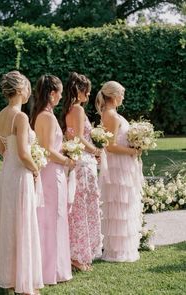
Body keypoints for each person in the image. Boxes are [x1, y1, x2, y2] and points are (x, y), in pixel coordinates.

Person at [0, 70, 43, 295]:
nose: (30, 91)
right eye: (28, 88)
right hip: (19, 175)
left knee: (9, 224)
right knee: (22, 223)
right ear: (20, 91)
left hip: (7, 174)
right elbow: (23, 152)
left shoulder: (1, 115)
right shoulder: (20, 117)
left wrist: (17, 161)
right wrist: (36, 168)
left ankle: (9, 282)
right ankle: (21, 281)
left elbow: (3, 149)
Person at [31, 74, 74, 285]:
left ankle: (50, 268)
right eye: (60, 93)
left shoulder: (42, 115)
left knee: (49, 220)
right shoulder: (46, 117)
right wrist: (67, 161)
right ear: (51, 93)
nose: (61, 97)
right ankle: (52, 271)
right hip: (51, 174)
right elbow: (48, 150)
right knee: (52, 220)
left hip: (51, 173)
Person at [95, 80, 143, 262]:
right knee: (119, 205)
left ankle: (122, 248)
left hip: (121, 164)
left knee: (122, 204)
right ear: (114, 96)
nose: (123, 97)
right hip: (118, 165)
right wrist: (133, 151)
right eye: (122, 94)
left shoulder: (110, 113)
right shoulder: (112, 116)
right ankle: (118, 251)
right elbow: (111, 146)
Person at [61, 72, 103, 271]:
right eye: (86, 91)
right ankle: (77, 256)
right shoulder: (77, 110)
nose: (88, 95)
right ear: (78, 91)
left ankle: (77, 253)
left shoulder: (69, 109)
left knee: (78, 209)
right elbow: (78, 137)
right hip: (83, 164)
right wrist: (95, 149)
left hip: (79, 162)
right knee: (81, 210)